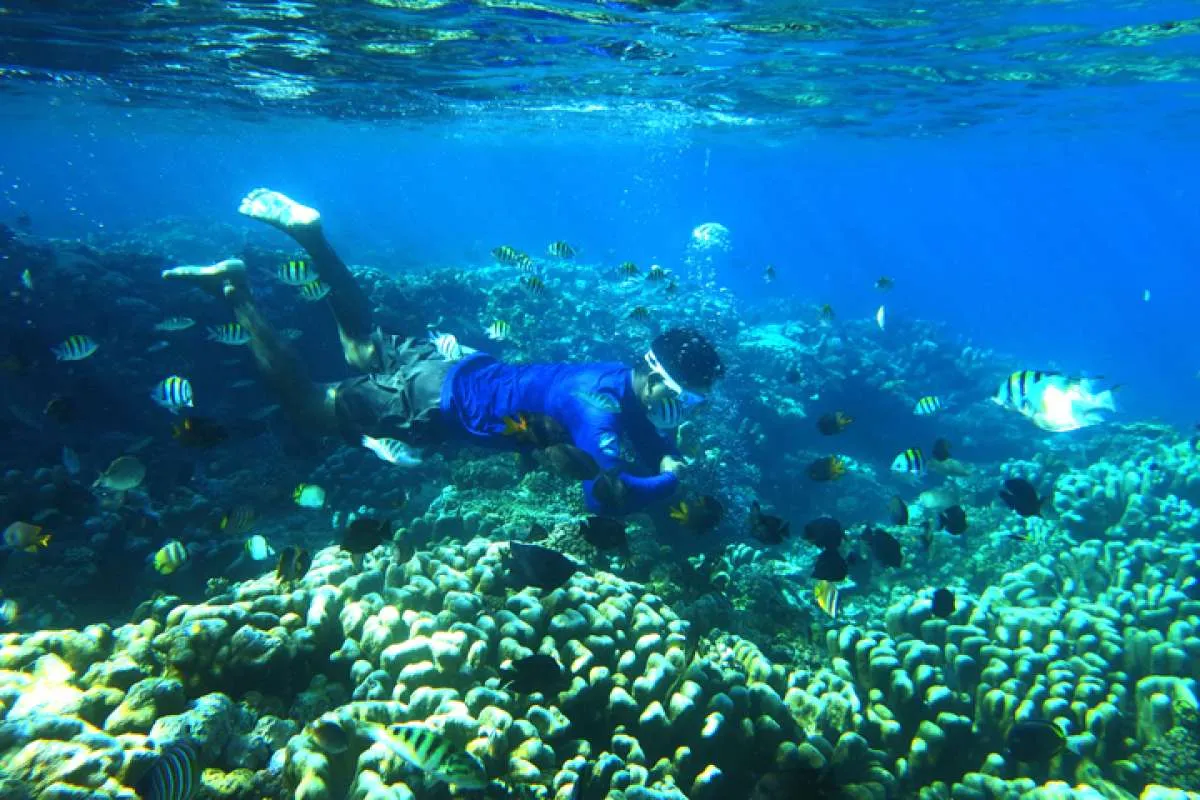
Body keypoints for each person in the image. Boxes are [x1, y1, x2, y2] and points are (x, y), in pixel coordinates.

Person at [163, 189, 724, 514]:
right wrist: (670, 479)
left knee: (359, 345)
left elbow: (645, 425)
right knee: (307, 407)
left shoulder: (619, 379)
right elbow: (605, 496)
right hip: (436, 405)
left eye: (694, 407)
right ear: (655, 375)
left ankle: (311, 236)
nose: (683, 414)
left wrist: (664, 448)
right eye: (683, 400)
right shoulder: (594, 410)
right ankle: (234, 290)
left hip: (459, 368)